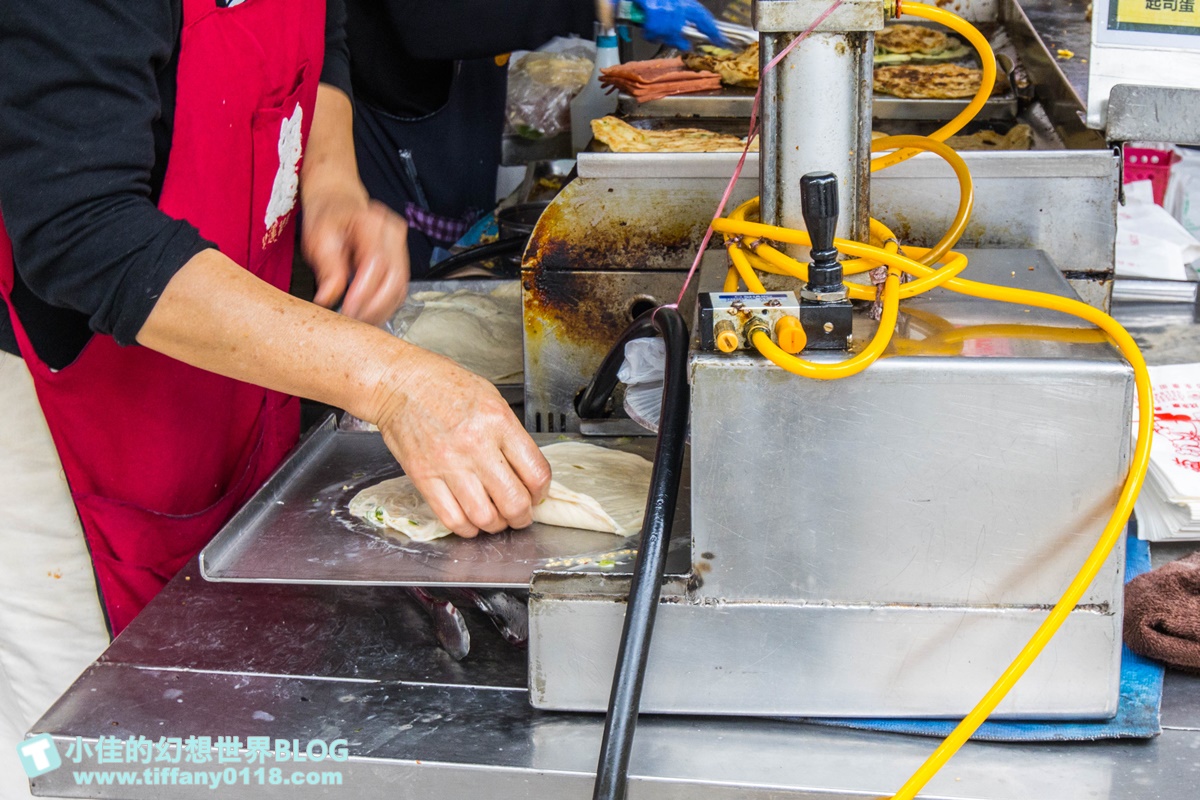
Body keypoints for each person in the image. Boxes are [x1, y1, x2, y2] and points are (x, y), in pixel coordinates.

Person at [0, 1, 549, 795]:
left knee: (233, 723)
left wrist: (328, 180)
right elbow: (80, 228)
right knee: (100, 752)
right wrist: (392, 380)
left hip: (234, 366)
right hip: (72, 410)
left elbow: (319, 34)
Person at [345, 0, 726, 275]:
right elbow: (426, 20)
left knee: (463, 270)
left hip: (462, 105)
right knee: (405, 309)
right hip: (387, 124)